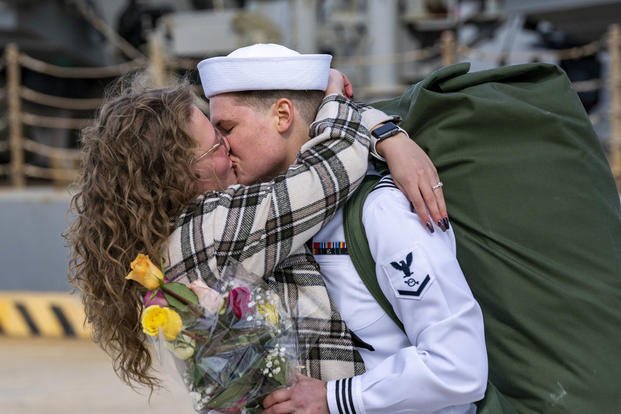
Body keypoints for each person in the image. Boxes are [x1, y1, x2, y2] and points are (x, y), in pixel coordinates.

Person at [66, 68, 433, 399]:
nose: (231, 149)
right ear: (182, 172)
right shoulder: (209, 231)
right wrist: (339, 100)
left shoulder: (170, 240)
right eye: (218, 142)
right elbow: (333, 166)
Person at [197, 43, 488, 413]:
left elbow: (458, 367)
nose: (222, 147)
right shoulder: (270, 218)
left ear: (282, 115)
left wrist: (334, 398)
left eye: (228, 128)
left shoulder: (381, 210)